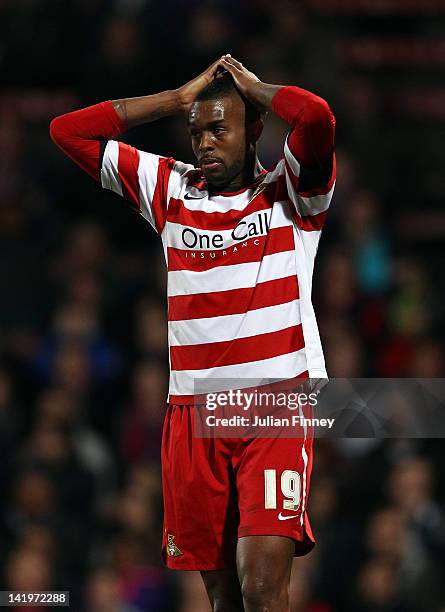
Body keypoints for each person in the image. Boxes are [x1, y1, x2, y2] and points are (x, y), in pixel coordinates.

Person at [50, 54, 336, 612]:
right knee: (223, 597)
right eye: (195, 132)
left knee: (260, 588)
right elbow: (68, 132)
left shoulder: (292, 193)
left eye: (218, 128)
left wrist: (256, 88)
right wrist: (173, 101)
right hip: (192, 417)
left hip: (273, 410)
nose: (204, 143)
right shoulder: (169, 189)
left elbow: (318, 117)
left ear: (253, 128)